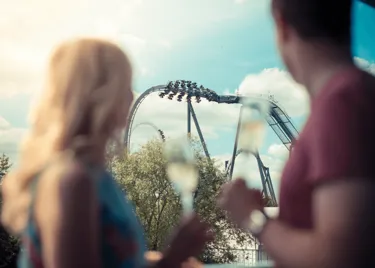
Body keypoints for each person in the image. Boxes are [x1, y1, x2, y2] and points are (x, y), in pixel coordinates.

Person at [0, 38, 211, 268]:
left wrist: (163, 260)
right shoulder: (72, 180)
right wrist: (172, 259)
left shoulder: (96, 177)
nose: (131, 97)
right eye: (124, 86)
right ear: (97, 95)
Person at [219, 0, 375, 267]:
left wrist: (251, 219)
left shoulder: (343, 100)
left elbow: (340, 257)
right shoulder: (348, 96)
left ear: (282, 26)